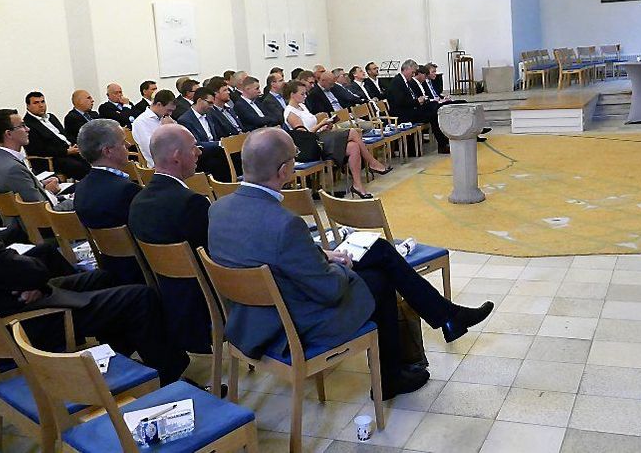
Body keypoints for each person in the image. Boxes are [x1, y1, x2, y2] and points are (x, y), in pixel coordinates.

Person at [207, 129, 493, 399]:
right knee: (379, 279)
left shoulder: (218, 209)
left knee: (378, 252)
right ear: (283, 171)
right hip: (290, 324)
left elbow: (264, 255)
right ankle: (398, 368)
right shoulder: (285, 225)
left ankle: (445, 318)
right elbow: (329, 290)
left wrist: (320, 255)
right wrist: (342, 265)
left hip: (250, 318)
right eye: (293, 160)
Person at [0, 148, 189, 385]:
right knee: (140, 297)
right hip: (14, 326)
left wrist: (27, 280)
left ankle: (119, 357)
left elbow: (15, 272)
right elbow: (33, 272)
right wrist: (28, 280)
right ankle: (168, 374)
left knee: (101, 278)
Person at [129, 124, 212, 353]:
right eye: (194, 147)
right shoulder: (191, 203)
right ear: (177, 156)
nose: (198, 152)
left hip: (167, 296)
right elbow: (213, 258)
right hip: (202, 304)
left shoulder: (138, 201)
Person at [283, 80, 390, 199]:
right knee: (353, 132)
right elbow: (304, 136)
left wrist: (325, 125)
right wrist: (320, 125)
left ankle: (357, 185)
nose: (305, 96)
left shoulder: (302, 106)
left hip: (319, 137)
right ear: (292, 95)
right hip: (311, 145)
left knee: (354, 147)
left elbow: (311, 128)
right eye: (302, 94)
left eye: (305, 93)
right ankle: (372, 162)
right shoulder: (290, 112)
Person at [73, 119, 144, 284]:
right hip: (138, 271)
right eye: (122, 141)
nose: (127, 144)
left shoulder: (81, 188)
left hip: (110, 267)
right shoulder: (126, 191)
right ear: (108, 151)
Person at [0, 109, 75, 212]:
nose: (28, 129)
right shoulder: (13, 169)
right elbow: (44, 211)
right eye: (22, 126)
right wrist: (75, 200)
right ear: (9, 134)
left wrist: (40, 184)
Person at [386, 59, 449, 154]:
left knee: (435, 108)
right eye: (413, 72)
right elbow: (400, 102)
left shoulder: (404, 81)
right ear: (407, 69)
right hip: (403, 114)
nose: (413, 74)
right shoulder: (397, 82)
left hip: (410, 109)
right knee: (433, 113)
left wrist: (419, 100)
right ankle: (442, 144)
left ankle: (444, 142)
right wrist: (417, 101)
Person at [24, 91, 90, 179]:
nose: (41, 105)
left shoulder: (51, 117)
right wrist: (66, 151)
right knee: (80, 167)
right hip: (52, 158)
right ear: (28, 106)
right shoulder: (27, 124)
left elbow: (64, 135)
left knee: (93, 159)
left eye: (42, 101)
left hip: (69, 151)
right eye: (36, 103)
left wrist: (75, 145)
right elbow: (38, 149)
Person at [132, 89, 177, 167]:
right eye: (169, 110)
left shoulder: (165, 118)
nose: (170, 113)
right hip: (159, 166)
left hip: (174, 159)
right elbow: (152, 150)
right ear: (159, 104)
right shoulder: (141, 122)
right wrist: (166, 129)